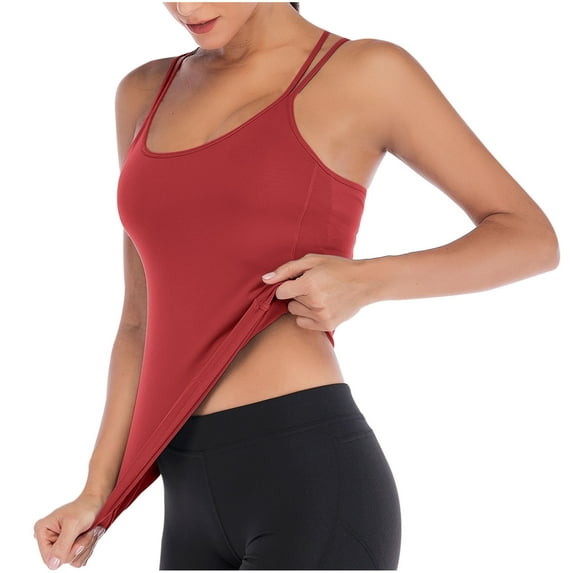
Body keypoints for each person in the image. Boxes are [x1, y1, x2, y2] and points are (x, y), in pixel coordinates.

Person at [33, 2, 560, 570]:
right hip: (186, 489)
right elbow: (139, 323)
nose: (186, 6)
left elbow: (530, 238)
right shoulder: (144, 92)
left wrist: (368, 280)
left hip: (306, 475)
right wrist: (96, 490)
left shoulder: (364, 72)